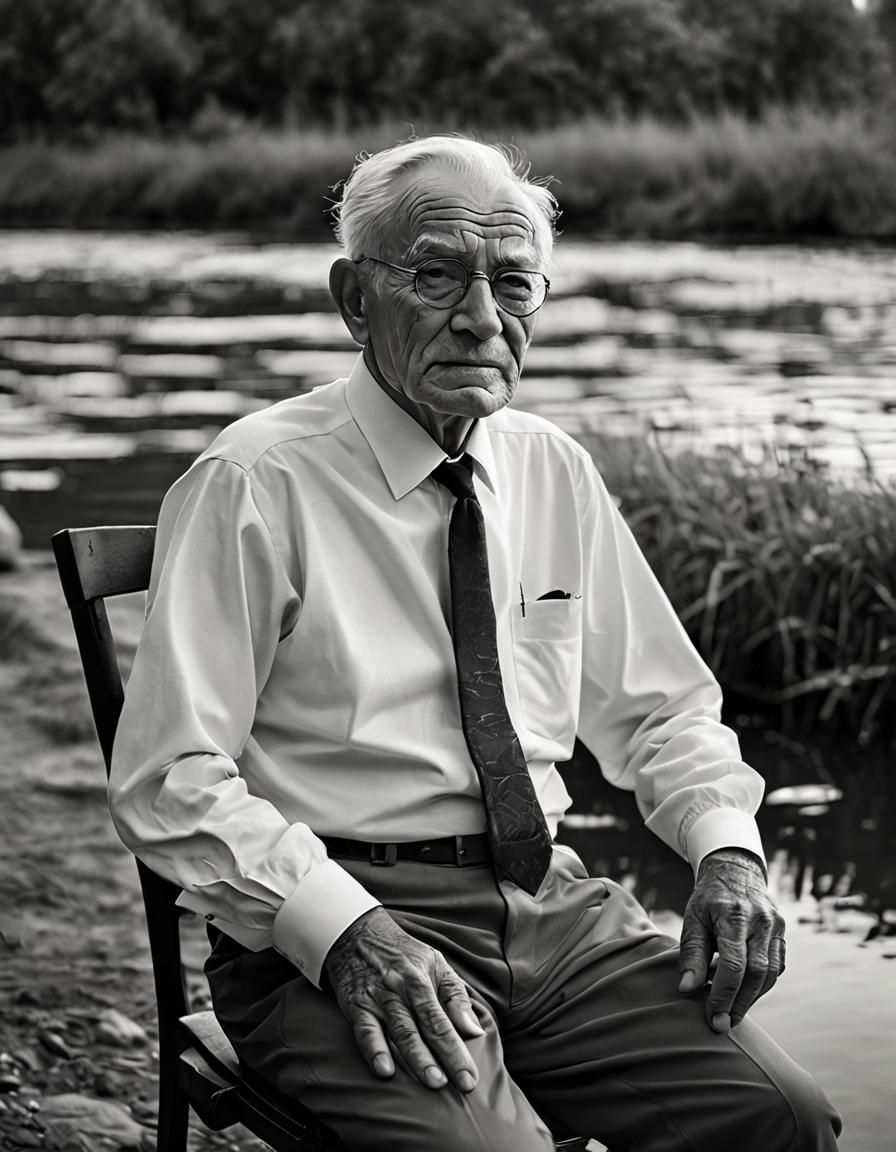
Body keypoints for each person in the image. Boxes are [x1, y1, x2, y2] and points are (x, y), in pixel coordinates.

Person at [110, 135, 841, 1152]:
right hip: (341, 913)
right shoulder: (255, 481)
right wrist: (344, 928)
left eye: (512, 284)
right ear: (355, 300)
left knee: (778, 1119)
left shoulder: (550, 467)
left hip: (549, 904)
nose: (481, 319)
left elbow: (660, 709)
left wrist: (726, 851)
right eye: (437, 274)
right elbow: (168, 776)